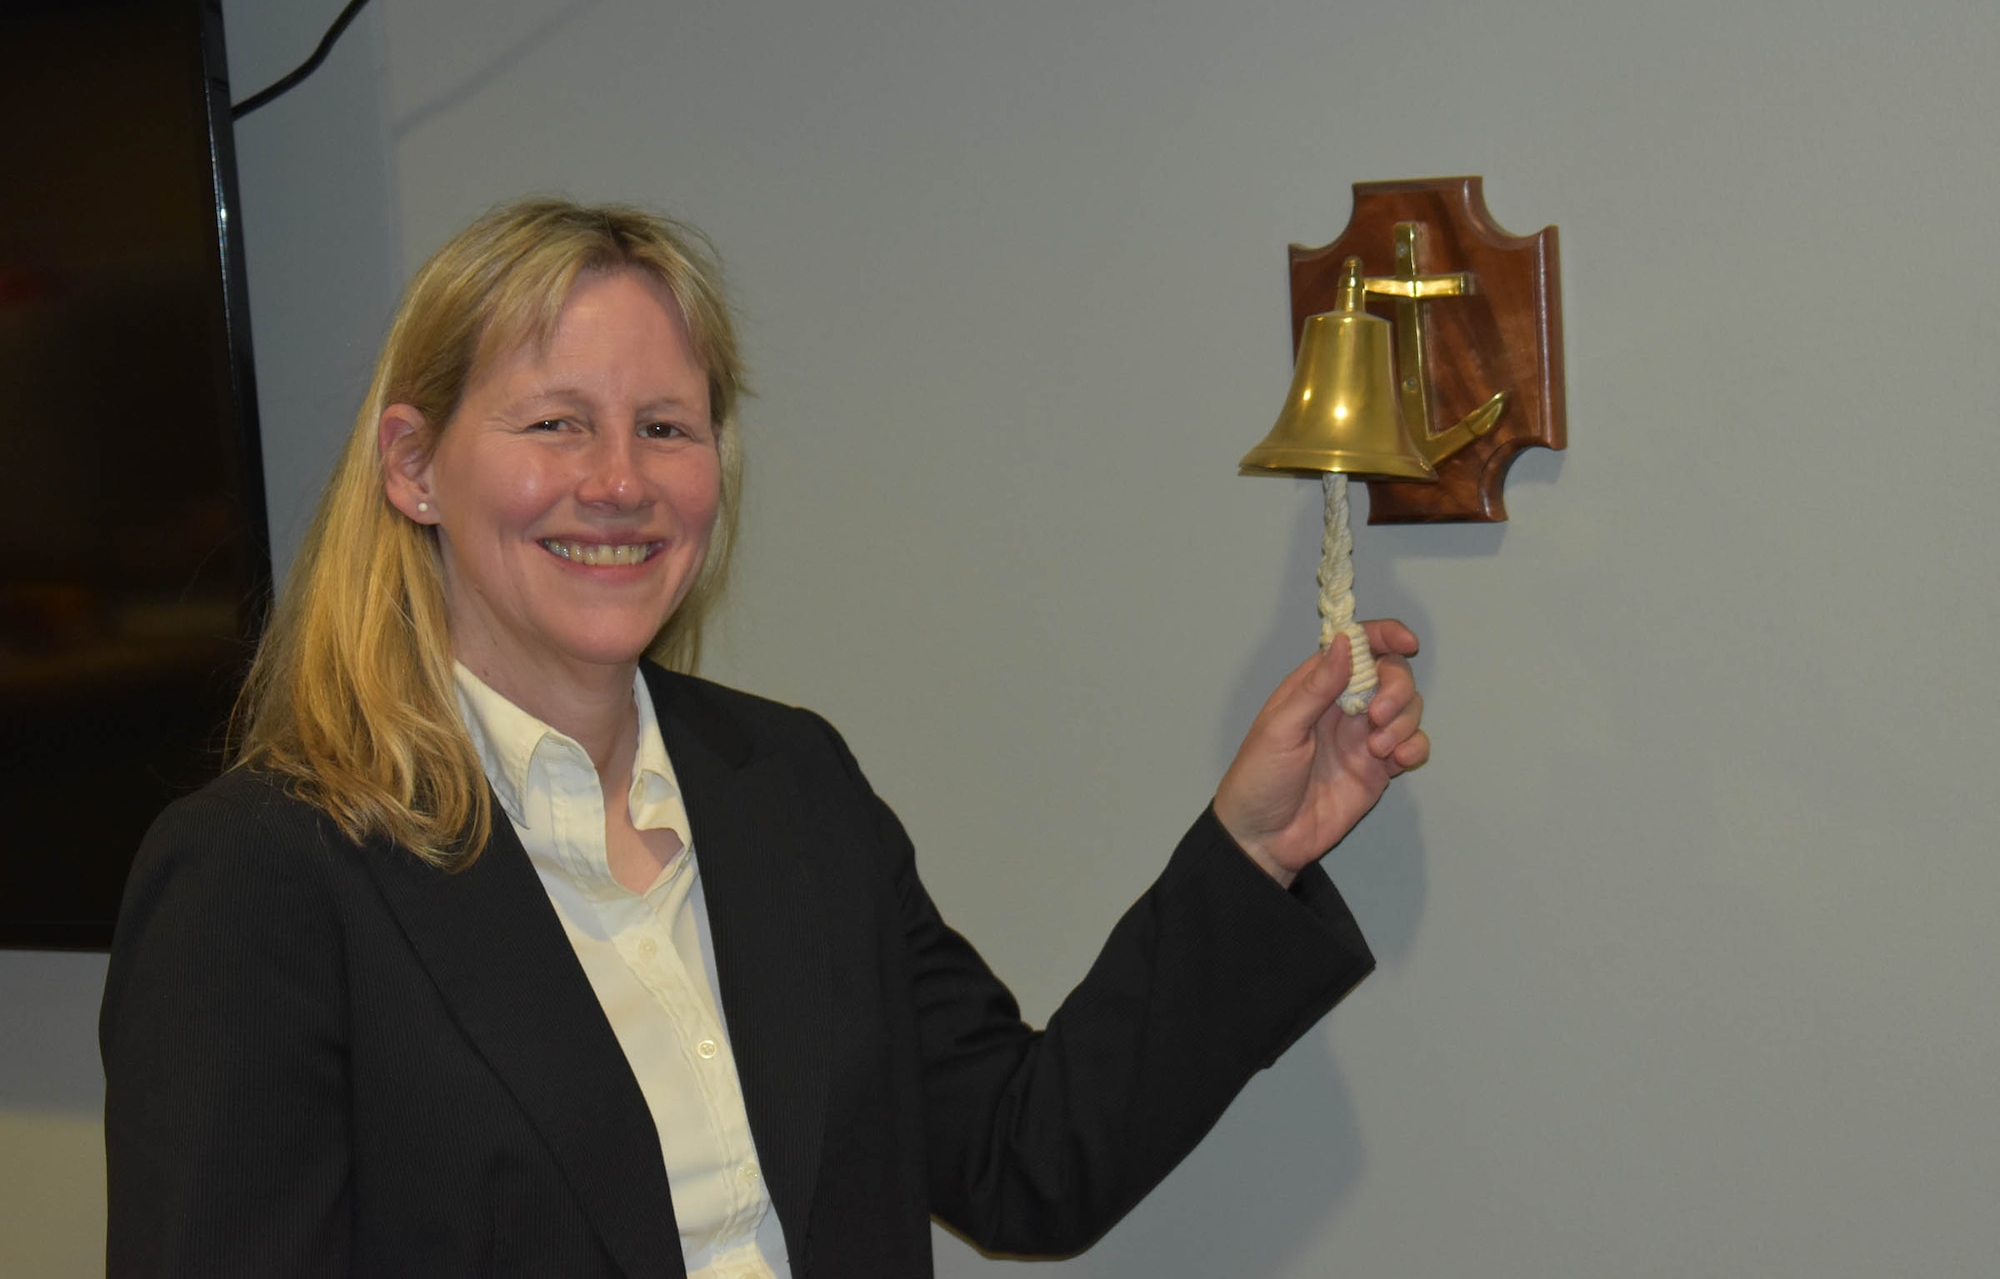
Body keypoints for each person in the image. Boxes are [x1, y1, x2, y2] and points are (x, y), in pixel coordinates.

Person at [100, 200, 1429, 1278]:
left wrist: (1249, 848)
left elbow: (1030, 1159)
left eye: (665, 428)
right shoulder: (263, 877)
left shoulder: (790, 786)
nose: (618, 479)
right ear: (412, 465)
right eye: (556, 421)